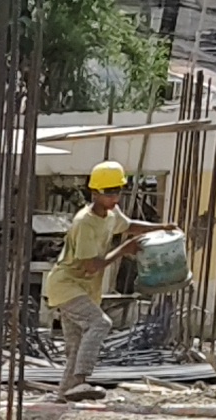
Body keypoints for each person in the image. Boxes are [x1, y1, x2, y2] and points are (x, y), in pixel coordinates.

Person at [45, 162, 147, 399]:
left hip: (82, 287)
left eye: (117, 191)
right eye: (109, 192)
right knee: (100, 323)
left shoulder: (111, 214)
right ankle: (81, 381)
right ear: (95, 193)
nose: (115, 197)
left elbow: (129, 226)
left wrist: (163, 228)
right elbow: (91, 265)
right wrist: (124, 249)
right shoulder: (85, 222)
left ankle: (64, 393)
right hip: (66, 286)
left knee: (75, 344)